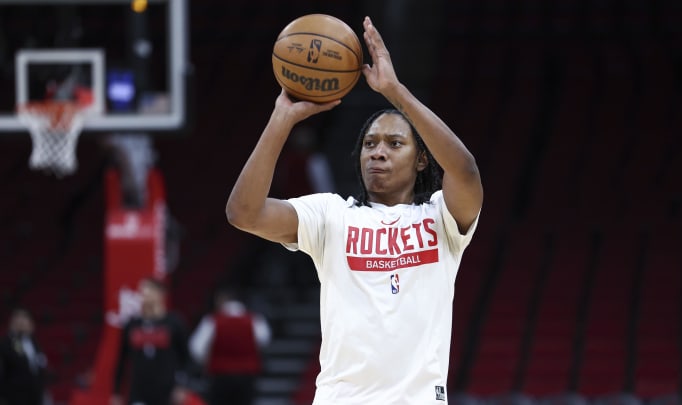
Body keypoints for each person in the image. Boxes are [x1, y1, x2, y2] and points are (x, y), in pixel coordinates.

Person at [225, 16, 483, 405]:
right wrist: (282, 118)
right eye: (369, 144)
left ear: (421, 162)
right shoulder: (331, 215)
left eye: (395, 143)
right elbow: (243, 213)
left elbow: (464, 170)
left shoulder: (440, 218)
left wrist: (396, 93)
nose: (378, 151)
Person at [111, 277, 189, 405]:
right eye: (142, 290)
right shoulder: (132, 324)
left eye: (148, 289)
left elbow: (186, 359)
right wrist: (116, 392)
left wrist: (182, 386)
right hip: (139, 390)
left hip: (166, 391)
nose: (143, 293)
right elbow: (121, 359)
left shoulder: (174, 323)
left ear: (160, 294)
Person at [189, 288, 272, 405]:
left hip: (220, 377)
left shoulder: (212, 321)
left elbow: (196, 348)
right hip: (247, 377)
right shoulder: (255, 320)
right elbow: (264, 341)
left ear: (222, 301)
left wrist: (209, 360)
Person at [0, 309, 48, 405]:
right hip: (14, 396)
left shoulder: (34, 343)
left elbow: (40, 365)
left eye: (25, 319)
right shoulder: (6, 343)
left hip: (35, 395)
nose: (21, 322)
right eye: (18, 319)